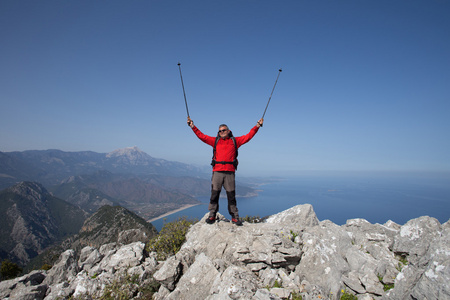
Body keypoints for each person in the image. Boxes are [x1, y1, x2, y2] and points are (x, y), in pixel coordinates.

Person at [187, 117, 264, 226]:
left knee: (231, 196)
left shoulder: (235, 141)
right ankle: (212, 214)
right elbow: (202, 136)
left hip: (229, 173)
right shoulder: (215, 141)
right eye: (220, 131)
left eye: (224, 130)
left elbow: (248, 136)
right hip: (217, 172)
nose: (222, 132)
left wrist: (257, 126)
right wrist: (192, 126)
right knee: (214, 194)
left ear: (228, 131)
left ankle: (235, 217)